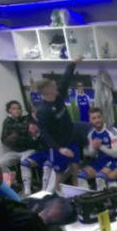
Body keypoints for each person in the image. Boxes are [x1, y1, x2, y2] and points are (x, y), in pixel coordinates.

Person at [36, 57, 84, 194]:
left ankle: (77, 195)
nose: (56, 87)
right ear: (47, 92)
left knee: (75, 171)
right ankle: (59, 197)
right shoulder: (43, 111)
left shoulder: (59, 95)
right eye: (53, 87)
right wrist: (60, 149)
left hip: (71, 141)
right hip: (58, 147)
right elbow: (44, 134)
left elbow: (65, 78)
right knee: (60, 176)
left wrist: (73, 62)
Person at [0, 100, 48, 196]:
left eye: (19, 108)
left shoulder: (29, 118)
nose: (17, 110)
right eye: (14, 109)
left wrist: (34, 134)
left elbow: (37, 137)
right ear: (9, 111)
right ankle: (14, 183)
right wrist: (10, 139)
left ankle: (27, 190)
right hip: (15, 150)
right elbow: (3, 140)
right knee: (1, 162)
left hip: (29, 148)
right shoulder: (7, 122)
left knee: (24, 162)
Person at [77, 108, 117, 191]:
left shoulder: (112, 131)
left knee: (99, 177)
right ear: (90, 120)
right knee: (80, 176)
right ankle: (87, 197)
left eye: (99, 117)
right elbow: (92, 155)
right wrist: (94, 148)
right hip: (99, 161)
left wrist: (100, 147)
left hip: (113, 161)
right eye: (94, 118)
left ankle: (102, 198)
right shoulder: (91, 133)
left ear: (102, 118)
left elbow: (115, 154)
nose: (97, 120)